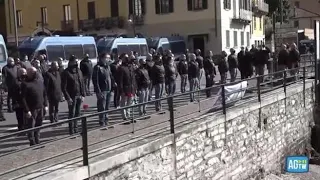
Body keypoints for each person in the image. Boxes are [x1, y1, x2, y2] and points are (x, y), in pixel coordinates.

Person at [21, 67, 48, 146]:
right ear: (28, 73)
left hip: (40, 107)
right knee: (31, 126)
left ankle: (37, 138)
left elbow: (44, 94)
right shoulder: (25, 84)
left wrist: (45, 104)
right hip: (32, 109)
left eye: (35, 72)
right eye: (33, 72)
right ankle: (32, 141)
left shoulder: (39, 81)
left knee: (39, 124)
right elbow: (22, 98)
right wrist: (27, 110)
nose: (35, 73)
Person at [61, 55, 85, 135]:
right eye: (75, 62)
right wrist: (68, 98)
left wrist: (83, 94)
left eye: (77, 62)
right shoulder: (66, 72)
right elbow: (64, 87)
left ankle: (76, 128)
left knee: (77, 113)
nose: (76, 63)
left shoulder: (79, 71)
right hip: (72, 96)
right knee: (72, 113)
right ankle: (71, 130)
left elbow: (82, 83)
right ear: (71, 62)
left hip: (79, 95)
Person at [92, 53, 115, 127]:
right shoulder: (97, 67)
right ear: (102, 58)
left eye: (109, 58)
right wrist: (98, 91)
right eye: (107, 58)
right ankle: (102, 122)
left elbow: (110, 77)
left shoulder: (108, 67)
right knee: (102, 106)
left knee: (107, 106)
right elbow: (95, 80)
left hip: (109, 89)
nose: (108, 59)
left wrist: (113, 85)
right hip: (102, 90)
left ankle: (106, 120)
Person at [118, 54, 137, 120]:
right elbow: (120, 81)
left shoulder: (130, 67)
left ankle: (128, 115)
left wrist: (135, 88)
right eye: (125, 58)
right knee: (124, 103)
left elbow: (133, 78)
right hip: (125, 89)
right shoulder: (121, 68)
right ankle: (124, 116)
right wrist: (122, 91)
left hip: (131, 88)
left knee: (129, 103)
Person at [12, 68, 27, 132]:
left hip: (25, 101)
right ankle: (21, 128)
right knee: (20, 117)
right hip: (18, 102)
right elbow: (14, 93)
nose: (24, 74)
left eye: (25, 72)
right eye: (23, 73)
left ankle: (25, 128)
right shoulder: (16, 82)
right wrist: (14, 103)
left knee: (25, 117)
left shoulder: (26, 80)